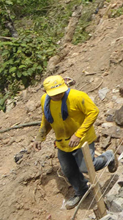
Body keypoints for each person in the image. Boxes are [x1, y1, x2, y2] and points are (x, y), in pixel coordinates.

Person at [35, 75, 116, 209]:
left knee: (87, 167)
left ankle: (109, 156)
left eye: (60, 92)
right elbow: (47, 119)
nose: (58, 95)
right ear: (45, 92)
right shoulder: (45, 101)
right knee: (68, 169)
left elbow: (93, 112)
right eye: (54, 94)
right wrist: (40, 137)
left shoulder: (77, 97)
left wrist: (78, 134)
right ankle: (81, 191)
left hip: (82, 139)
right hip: (62, 142)